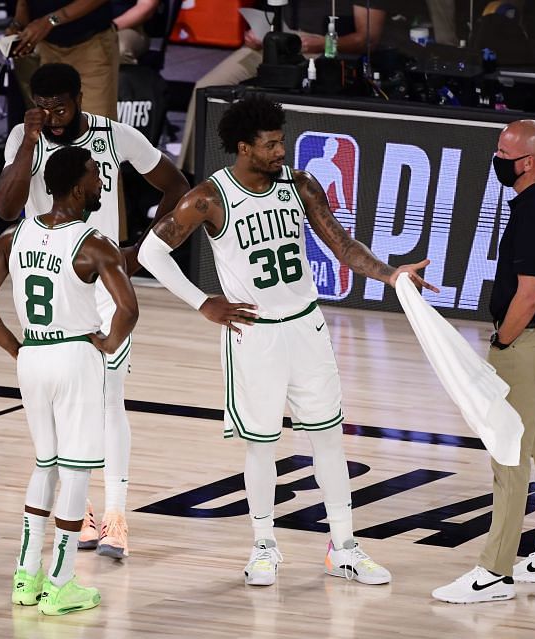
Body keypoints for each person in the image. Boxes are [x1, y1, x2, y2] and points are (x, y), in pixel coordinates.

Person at [139, 94, 437, 586]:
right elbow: (151, 250)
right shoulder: (209, 197)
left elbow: (342, 245)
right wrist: (202, 302)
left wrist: (392, 275)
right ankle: (263, 546)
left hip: (306, 325)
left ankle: (344, 548)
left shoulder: (299, 184)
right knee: (260, 446)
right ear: (243, 147)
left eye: (282, 141)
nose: (282, 151)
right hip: (253, 335)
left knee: (328, 438)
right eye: (272, 144)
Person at [0, 62, 189, 559]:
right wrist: (29, 143)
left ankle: (116, 515)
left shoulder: (114, 135)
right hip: (53, 281)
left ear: (80, 97)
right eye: (43, 107)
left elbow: (176, 184)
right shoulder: (26, 135)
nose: (52, 117)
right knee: (60, 403)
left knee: (108, 398)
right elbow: (4, 206)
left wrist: (142, 249)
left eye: (60, 107)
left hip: (99, 280)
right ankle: (74, 511)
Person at [0, 146, 138, 615]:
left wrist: (14, 347)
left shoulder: (13, 236)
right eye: (96, 175)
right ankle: (60, 583)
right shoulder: (94, 243)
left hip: (33, 357)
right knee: (77, 470)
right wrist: (109, 342)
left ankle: (25, 576)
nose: (102, 182)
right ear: (78, 185)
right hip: (74, 354)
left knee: (45, 465)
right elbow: (128, 308)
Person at [433, 120, 535, 604]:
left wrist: (503, 341)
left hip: (530, 345)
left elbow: (530, 293)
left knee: (508, 457)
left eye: (503, 151)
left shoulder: (532, 213)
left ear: (529, 162)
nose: (496, 158)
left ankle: (494, 572)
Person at [176, 0, 391, 176]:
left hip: (321, 50)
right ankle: (190, 178)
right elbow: (270, 12)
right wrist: (256, 34)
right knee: (206, 87)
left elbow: (367, 39)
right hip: (275, 42)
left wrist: (319, 43)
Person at [8, 0, 119, 120]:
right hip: (41, 43)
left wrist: (51, 20)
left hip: (88, 43)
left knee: (94, 127)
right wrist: (19, 22)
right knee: (47, 126)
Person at [112, 0, 159, 65]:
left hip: (130, 26)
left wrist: (111, 27)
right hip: (96, 23)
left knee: (116, 49)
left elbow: (146, 7)